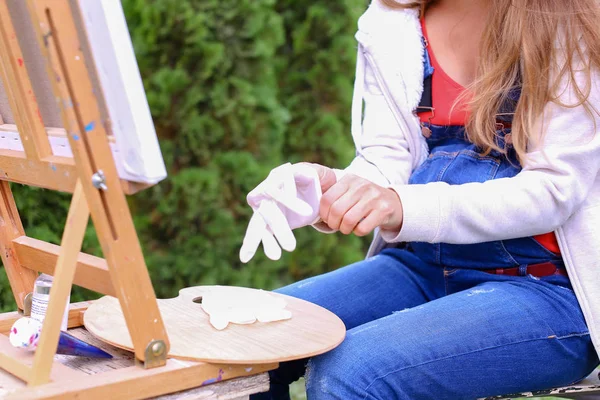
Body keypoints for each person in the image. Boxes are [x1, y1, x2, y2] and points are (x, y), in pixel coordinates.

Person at [241, 0, 600, 398]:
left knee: (352, 373)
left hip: (545, 289)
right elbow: (387, 159)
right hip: (421, 264)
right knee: (251, 342)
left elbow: (553, 191)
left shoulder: (567, 19)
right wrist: (329, 189)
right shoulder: (392, 21)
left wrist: (401, 205)